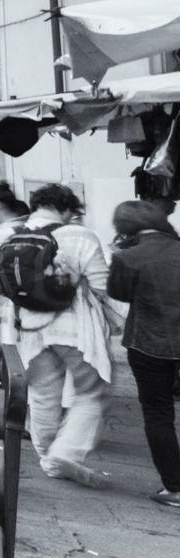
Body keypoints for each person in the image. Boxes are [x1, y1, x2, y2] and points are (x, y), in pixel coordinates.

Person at [0, 182, 116, 487]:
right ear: (66, 208)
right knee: (91, 391)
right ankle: (64, 453)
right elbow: (103, 287)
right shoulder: (81, 235)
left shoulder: (9, 234)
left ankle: (46, 455)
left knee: (42, 393)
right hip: (74, 328)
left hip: (28, 327)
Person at [108, 198, 180, 506]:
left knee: (158, 413)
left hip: (149, 343)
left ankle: (175, 487)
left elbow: (118, 294)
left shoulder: (129, 257)